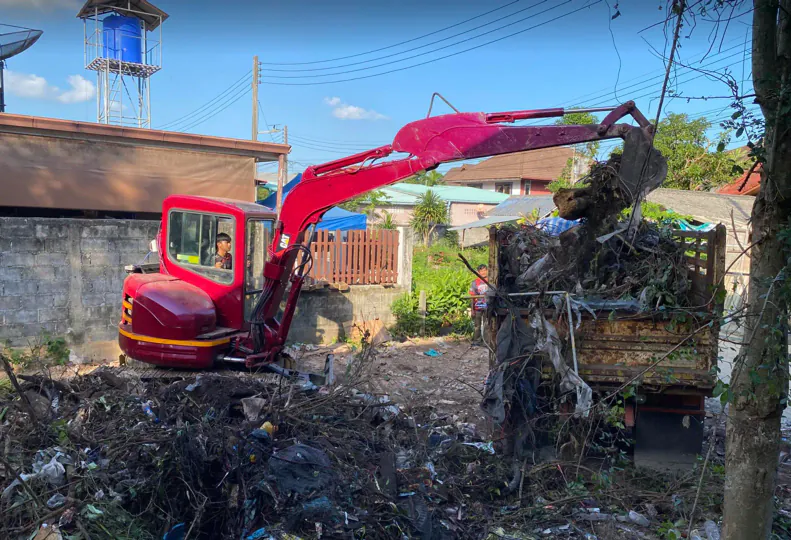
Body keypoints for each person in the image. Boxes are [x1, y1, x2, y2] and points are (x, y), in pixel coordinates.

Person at [469, 264, 489, 344]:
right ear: (478, 272)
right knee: (477, 325)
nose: (483, 272)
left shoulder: (490, 281)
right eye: (481, 271)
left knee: (487, 325)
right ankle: (477, 340)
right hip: (477, 307)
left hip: (487, 307)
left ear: (487, 271)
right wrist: (472, 309)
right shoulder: (475, 282)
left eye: (484, 270)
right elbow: (472, 297)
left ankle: (486, 341)